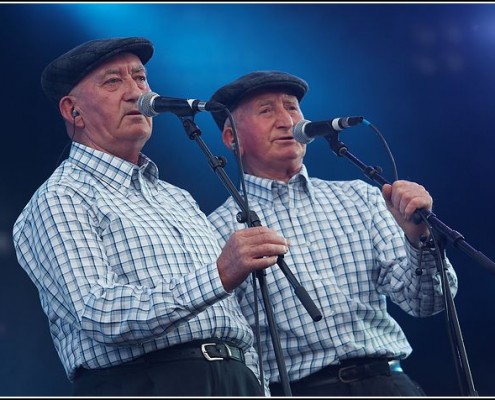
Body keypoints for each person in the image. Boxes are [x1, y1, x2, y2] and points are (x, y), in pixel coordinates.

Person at [12, 38, 290, 397]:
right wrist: (218, 275)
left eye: (140, 79)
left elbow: (234, 319)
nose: (135, 93)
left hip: (235, 378)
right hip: (146, 382)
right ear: (72, 111)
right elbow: (102, 312)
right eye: (113, 82)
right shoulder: (61, 197)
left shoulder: (178, 198)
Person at [206, 70, 459, 396]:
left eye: (292, 107)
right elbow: (239, 347)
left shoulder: (360, 197)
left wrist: (419, 237)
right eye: (266, 111)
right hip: (305, 389)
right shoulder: (217, 231)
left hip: (390, 383)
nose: (286, 120)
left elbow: (426, 302)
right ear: (231, 138)